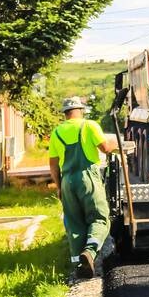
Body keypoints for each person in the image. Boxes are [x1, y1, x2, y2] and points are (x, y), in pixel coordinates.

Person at [48, 96, 118, 278]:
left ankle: (79, 266)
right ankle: (90, 251)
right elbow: (105, 148)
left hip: (67, 181)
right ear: (81, 110)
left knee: (74, 223)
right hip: (88, 178)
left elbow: (53, 164)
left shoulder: (56, 132)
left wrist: (59, 187)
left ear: (65, 114)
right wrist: (117, 144)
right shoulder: (89, 125)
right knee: (99, 218)